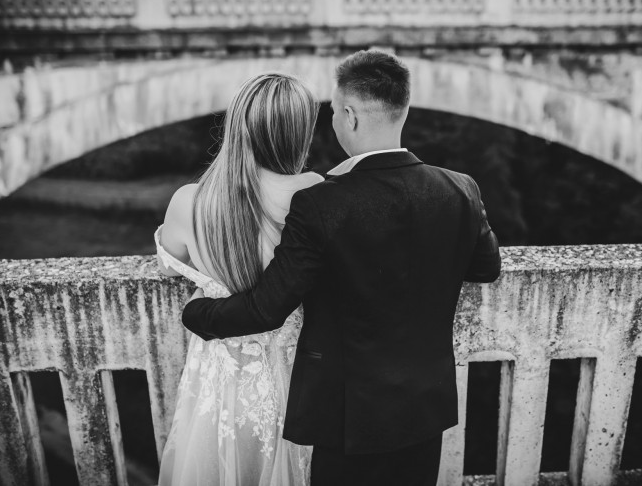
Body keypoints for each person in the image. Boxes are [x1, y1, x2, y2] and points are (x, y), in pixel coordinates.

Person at [182, 49, 501, 486]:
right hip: (425, 407)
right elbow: (486, 267)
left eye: (333, 111)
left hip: (348, 415)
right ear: (403, 109)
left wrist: (197, 313)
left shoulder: (320, 204)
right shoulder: (460, 189)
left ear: (349, 116)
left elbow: (266, 308)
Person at [155, 72, 323, 486]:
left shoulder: (188, 201)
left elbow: (168, 265)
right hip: (296, 373)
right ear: (298, 133)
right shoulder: (313, 192)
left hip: (219, 381)